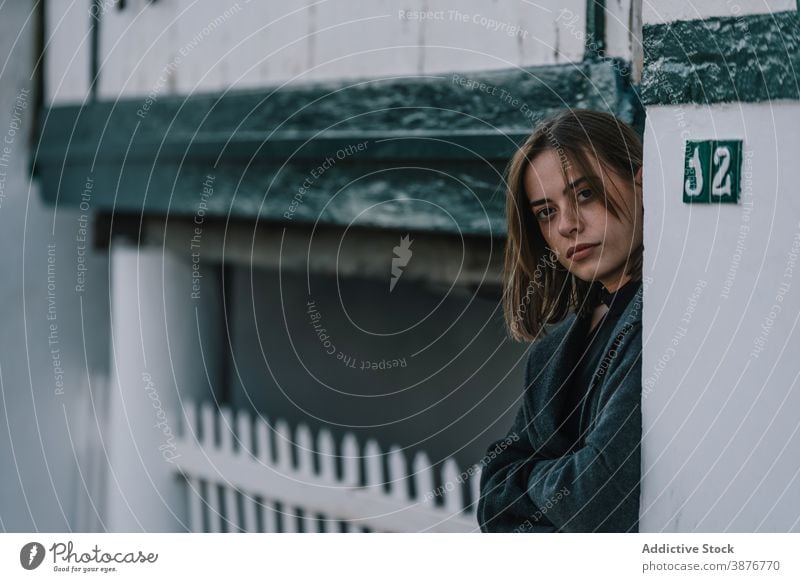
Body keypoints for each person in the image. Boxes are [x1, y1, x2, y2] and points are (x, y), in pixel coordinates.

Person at [477, 109, 644, 532]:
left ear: (641, 183)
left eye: (585, 194)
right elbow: (492, 505)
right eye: (547, 212)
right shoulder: (552, 352)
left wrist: (526, 482)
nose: (568, 225)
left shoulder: (660, 323)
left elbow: (595, 497)